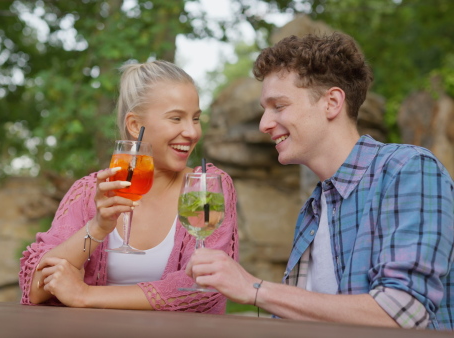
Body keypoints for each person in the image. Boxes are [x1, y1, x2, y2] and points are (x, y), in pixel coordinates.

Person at [186, 33, 454, 330]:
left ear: (332, 102)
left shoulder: (408, 170)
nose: (264, 124)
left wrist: (254, 288)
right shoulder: (314, 208)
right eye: (265, 109)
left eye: (279, 106)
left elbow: (402, 313)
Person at [18, 60, 238, 313]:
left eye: (196, 118)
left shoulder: (206, 187)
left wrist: (85, 295)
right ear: (135, 126)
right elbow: (35, 287)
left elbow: (204, 288)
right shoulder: (89, 191)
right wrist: (98, 227)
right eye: (176, 118)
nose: (191, 132)